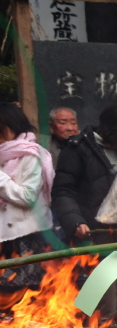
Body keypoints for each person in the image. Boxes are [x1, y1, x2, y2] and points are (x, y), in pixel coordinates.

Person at [52, 101, 117, 314]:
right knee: (102, 301)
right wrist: (75, 221)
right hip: (93, 233)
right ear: (113, 129)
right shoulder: (78, 148)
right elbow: (63, 191)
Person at [0, 103, 55, 306]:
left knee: (24, 297)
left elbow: (28, 197)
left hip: (27, 237)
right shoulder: (3, 154)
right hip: (4, 237)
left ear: (13, 125)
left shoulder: (32, 155)